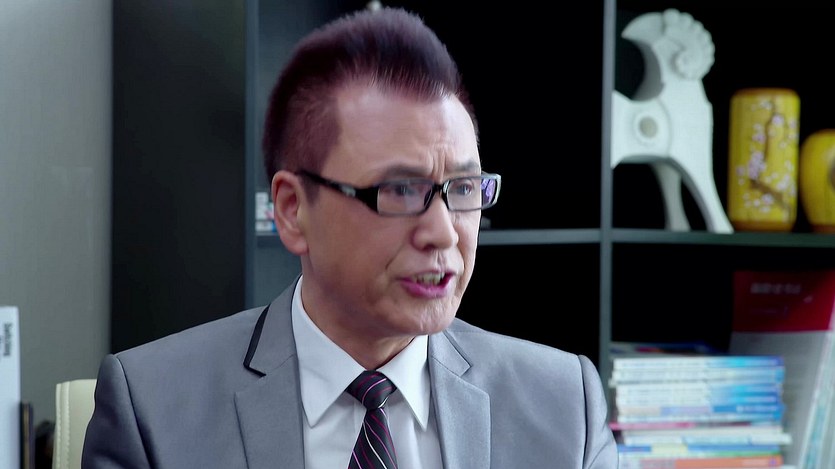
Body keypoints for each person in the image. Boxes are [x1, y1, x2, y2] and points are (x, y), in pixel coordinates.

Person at [82, 6, 618, 469]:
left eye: (462, 188)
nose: (442, 233)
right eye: (400, 190)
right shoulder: (152, 410)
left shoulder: (564, 406)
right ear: (293, 210)